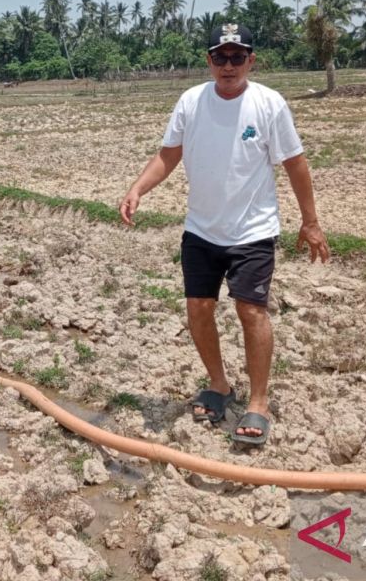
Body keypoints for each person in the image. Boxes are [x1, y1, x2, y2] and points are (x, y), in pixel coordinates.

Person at [118, 23, 329, 446]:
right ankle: (218, 385)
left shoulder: (269, 104)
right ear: (209, 61)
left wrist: (310, 221)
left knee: (251, 311)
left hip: (252, 231)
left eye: (237, 57)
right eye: (220, 57)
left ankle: (258, 403)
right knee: (198, 307)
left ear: (251, 59)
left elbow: (296, 164)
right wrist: (138, 188)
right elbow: (169, 154)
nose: (228, 65)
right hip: (201, 228)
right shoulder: (191, 102)